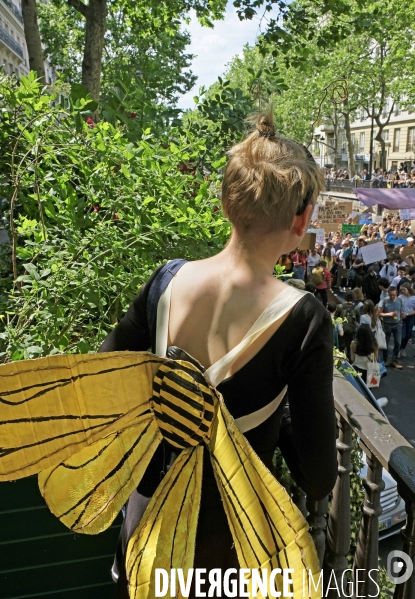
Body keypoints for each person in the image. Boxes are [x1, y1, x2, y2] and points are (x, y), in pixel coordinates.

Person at [99, 109, 338, 597]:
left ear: (228, 204)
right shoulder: (303, 318)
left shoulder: (166, 282)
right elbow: (317, 478)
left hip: (149, 538)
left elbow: (104, 380)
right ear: (301, 218)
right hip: (235, 554)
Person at [378, 286, 403, 369]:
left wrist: (401, 319)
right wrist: (390, 314)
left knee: (398, 343)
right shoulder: (384, 301)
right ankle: (385, 359)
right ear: (388, 294)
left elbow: (400, 310)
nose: (392, 297)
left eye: (394, 295)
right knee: (386, 344)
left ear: (397, 294)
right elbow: (379, 313)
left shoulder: (399, 300)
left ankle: (394, 360)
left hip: (397, 324)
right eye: (391, 295)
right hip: (387, 324)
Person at [337, 290, 360, 359]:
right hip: (351, 330)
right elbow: (358, 320)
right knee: (349, 347)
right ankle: (349, 362)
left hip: (341, 330)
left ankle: (340, 362)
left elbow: (336, 317)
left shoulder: (340, 306)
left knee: (341, 348)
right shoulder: (356, 308)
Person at [399, 283, 415, 357]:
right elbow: (399, 307)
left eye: (404, 289)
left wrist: (408, 314)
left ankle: (403, 348)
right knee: (403, 335)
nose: (403, 291)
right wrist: (401, 314)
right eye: (401, 290)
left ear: (408, 289)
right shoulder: (400, 297)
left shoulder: (413, 298)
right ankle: (398, 349)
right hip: (402, 318)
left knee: (408, 335)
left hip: (410, 318)